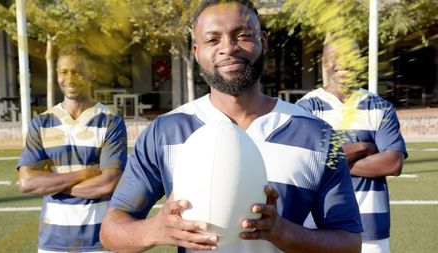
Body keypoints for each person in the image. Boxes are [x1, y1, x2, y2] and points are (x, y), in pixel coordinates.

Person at [100, 1, 362, 252]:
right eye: (213, 40)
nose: (228, 48)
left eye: (242, 35)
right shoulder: (165, 132)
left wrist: (282, 232)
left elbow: (349, 243)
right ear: (196, 52)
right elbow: (111, 230)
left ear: (264, 42)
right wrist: (156, 230)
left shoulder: (318, 135)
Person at [296, 36, 407, 253]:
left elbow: (393, 163)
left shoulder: (380, 107)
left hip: (371, 229)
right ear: (325, 62)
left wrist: (331, 162)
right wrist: (363, 148)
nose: (344, 62)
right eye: (337, 56)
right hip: (321, 227)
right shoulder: (305, 109)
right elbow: (309, 165)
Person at [17, 44, 127, 253]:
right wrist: (85, 173)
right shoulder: (41, 123)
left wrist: (52, 185)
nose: (70, 78)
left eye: (77, 71)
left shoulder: (110, 121)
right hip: (53, 242)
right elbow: (27, 182)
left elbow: (108, 183)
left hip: (100, 240)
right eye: (64, 71)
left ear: (92, 74)